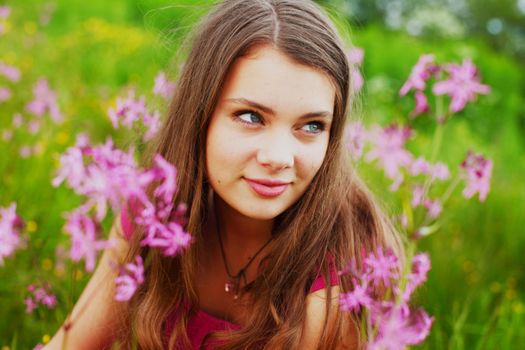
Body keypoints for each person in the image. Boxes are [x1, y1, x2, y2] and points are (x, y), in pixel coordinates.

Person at [45, 0, 403, 348]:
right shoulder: (154, 212)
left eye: (311, 126)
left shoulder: (346, 265)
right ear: (199, 116)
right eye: (250, 117)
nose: (278, 157)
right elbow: (69, 343)